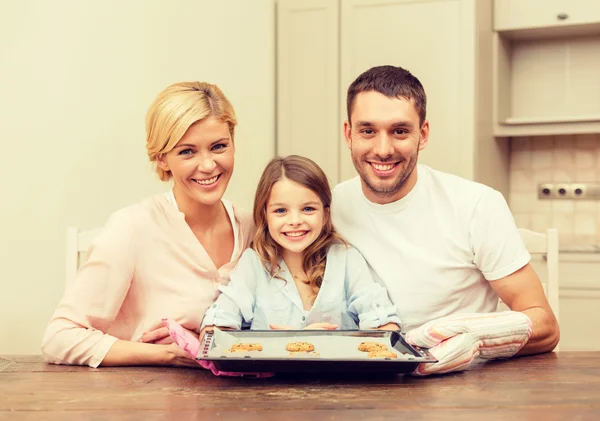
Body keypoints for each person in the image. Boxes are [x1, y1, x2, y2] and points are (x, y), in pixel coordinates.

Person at [331, 65, 560, 375]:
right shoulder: (328, 208)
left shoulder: (476, 205)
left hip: (461, 389)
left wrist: (471, 339)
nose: (383, 150)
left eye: (399, 131)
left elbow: (544, 324)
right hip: (358, 388)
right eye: (368, 131)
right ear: (349, 134)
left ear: (422, 134)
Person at [41, 82, 253, 368]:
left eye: (218, 146)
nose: (207, 165)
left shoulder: (255, 227)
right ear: (162, 158)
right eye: (187, 152)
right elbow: (58, 339)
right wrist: (167, 354)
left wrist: (204, 338)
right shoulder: (132, 228)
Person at [201, 155, 401, 333]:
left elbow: (387, 327)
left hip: (338, 376)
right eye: (280, 211)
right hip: (273, 376)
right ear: (265, 216)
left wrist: (334, 342)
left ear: (325, 215)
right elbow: (213, 330)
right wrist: (283, 345)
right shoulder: (253, 264)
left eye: (308, 209)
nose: (295, 220)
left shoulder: (346, 259)